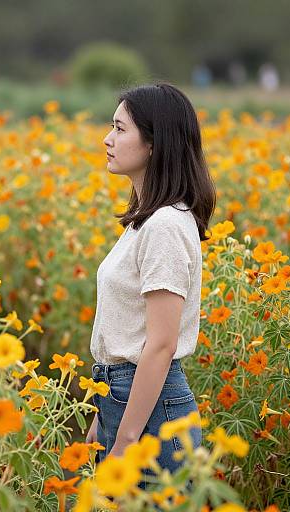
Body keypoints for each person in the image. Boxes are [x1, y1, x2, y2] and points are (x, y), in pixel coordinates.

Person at [85, 82, 217, 496]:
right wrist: (102, 420)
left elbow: (159, 345)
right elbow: (130, 334)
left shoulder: (164, 226)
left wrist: (124, 442)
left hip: (152, 414)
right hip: (128, 401)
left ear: (154, 145)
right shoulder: (147, 220)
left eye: (120, 129)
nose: (107, 139)